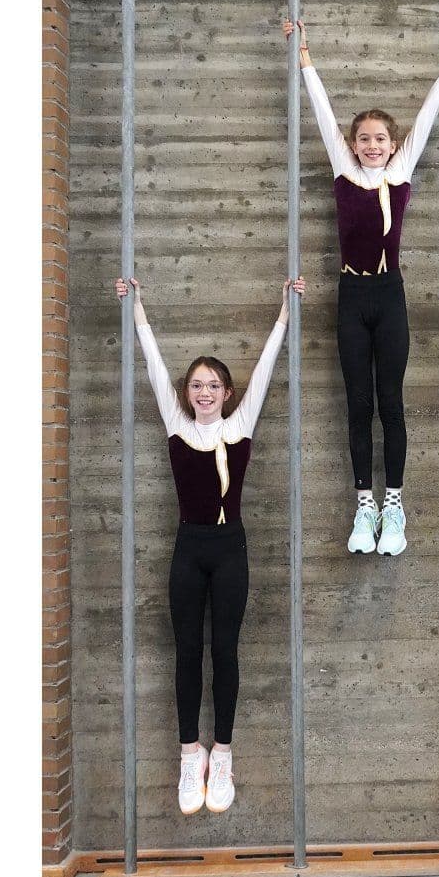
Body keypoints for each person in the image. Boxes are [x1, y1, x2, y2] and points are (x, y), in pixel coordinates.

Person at [114, 273, 305, 815]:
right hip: (188, 552)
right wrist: (138, 310)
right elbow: (151, 364)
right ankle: (188, 752)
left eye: (213, 386)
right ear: (187, 393)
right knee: (186, 653)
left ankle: (222, 752)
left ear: (226, 393)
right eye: (196, 385)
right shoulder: (175, 425)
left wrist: (285, 316)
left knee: (224, 651)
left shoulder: (241, 425)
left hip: (230, 553)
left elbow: (266, 370)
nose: (203, 393)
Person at [285, 16, 439, 556]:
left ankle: (394, 504)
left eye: (380, 139)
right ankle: (363, 504)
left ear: (392, 145)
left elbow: (427, 121)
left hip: (390, 297)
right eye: (363, 138)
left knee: (391, 401)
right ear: (353, 144)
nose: (371, 145)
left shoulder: (401, 171)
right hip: (351, 295)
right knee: (357, 401)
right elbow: (321, 115)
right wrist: (306, 62)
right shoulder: (344, 171)